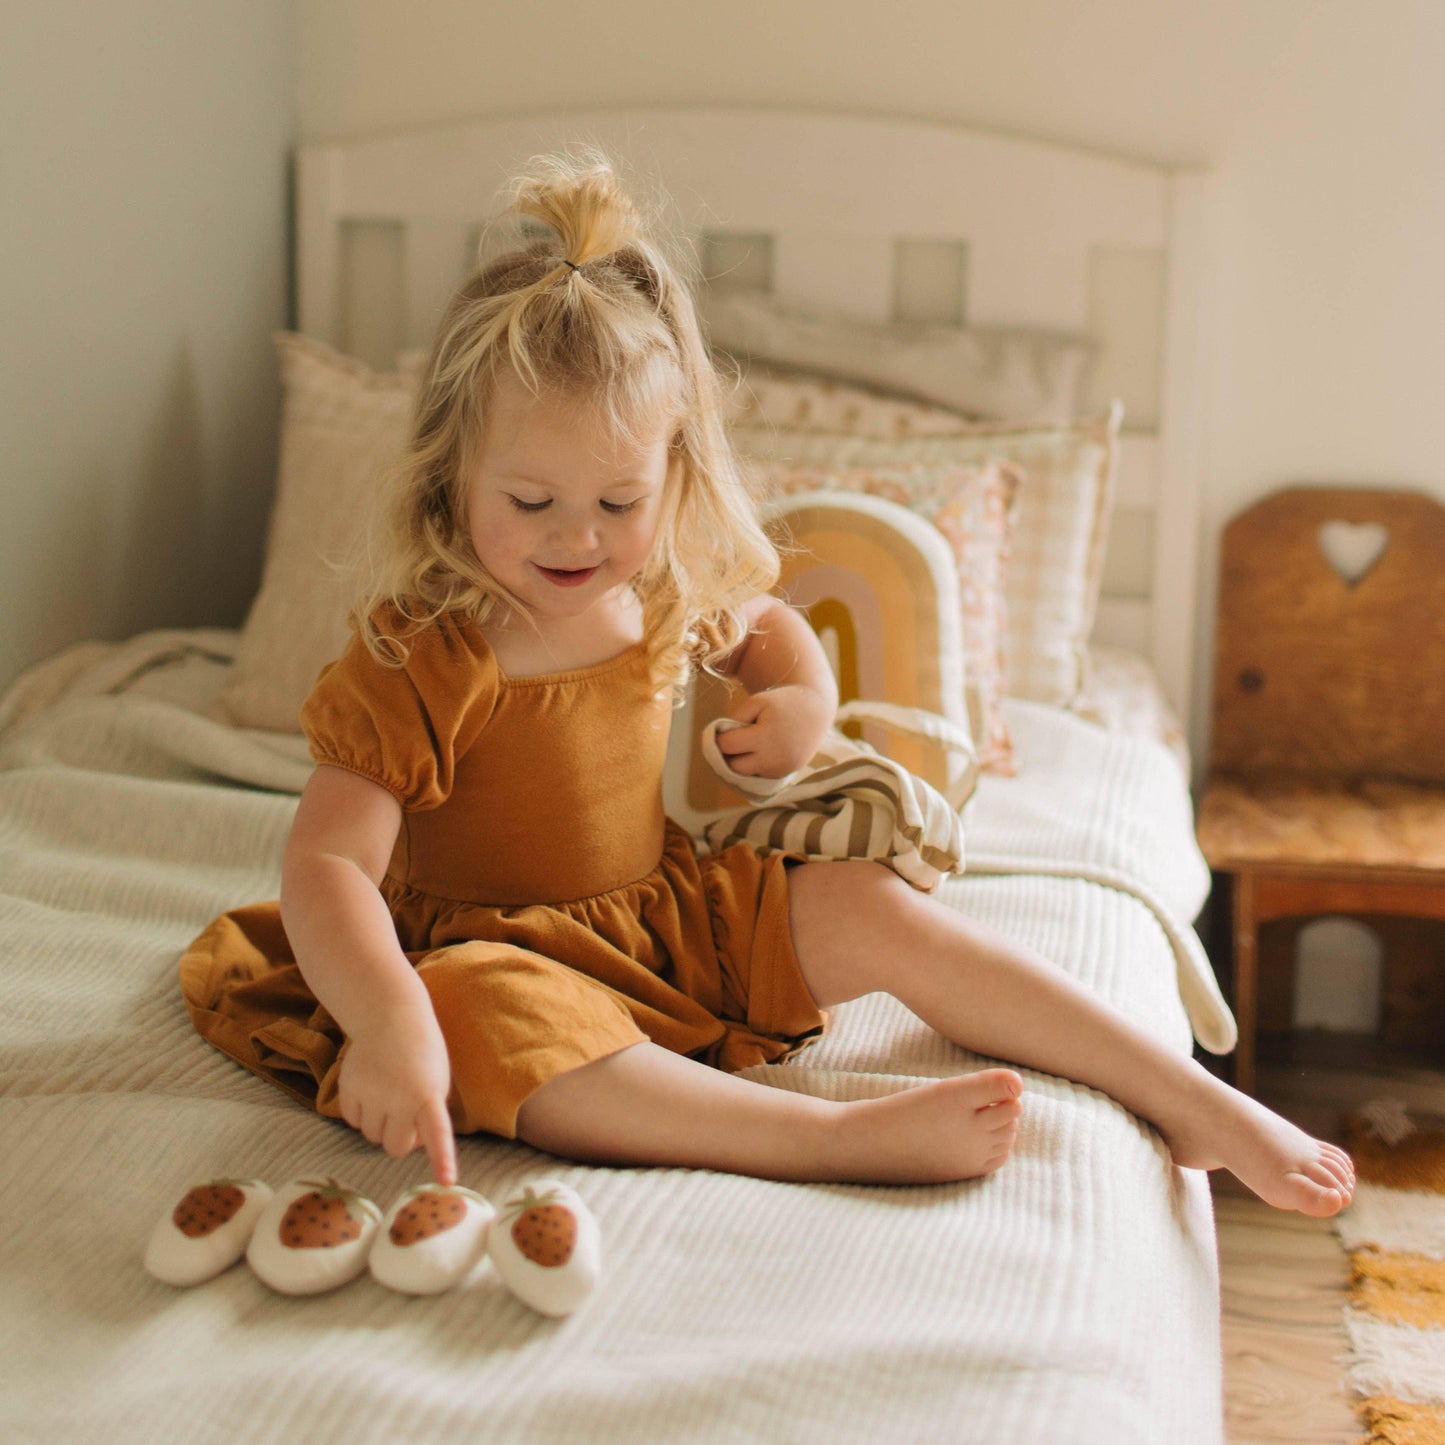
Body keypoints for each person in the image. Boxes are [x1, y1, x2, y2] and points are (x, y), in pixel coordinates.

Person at [181, 153, 1354, 1216]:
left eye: (618, 502)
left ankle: (1183, 1094)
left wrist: (799, 705)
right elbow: (328, 862)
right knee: (473, 1010)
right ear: (453, 472)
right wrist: (387, 1023)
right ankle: (823, 1135)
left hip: (657, 922)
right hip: (485, 951)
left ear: (672, 471)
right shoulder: (424, 648)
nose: (576, 537)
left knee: (861, 899)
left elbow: (775, 629)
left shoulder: (658, 591)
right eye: (530, 502)